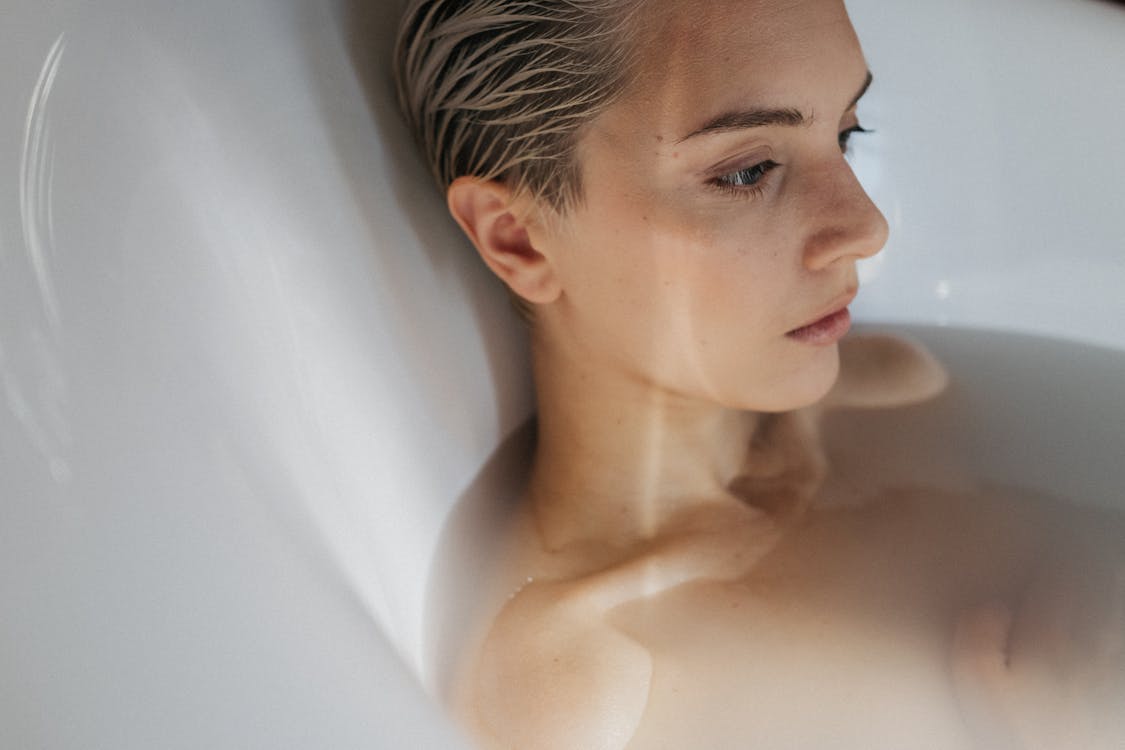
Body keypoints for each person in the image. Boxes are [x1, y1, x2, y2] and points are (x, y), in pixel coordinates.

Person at [394, 1, 1125, 748]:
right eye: (746, 171)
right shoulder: (577, 686)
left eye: (846, 133)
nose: (867, 227)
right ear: (519, 239)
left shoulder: (895, 393)